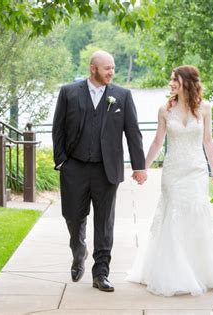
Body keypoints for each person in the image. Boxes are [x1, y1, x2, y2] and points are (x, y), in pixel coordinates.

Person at [126, 65, 213, 296]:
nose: (171, 83)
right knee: (173, 215)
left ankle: (199, 269)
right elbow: (158, 142)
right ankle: (173, 271)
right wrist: (143, 167)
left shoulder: (206, 108)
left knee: (197, 214)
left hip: (196, 171)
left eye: (174, 79)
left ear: (187, 82)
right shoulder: (164, 110)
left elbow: (208, 141)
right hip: (173, 172)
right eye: (171, 79)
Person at [52, 50, 147, 292]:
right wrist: (62, 161)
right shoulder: (69, 92)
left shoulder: (122, 96)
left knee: (104, 223)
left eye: (113, 68)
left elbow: (133, 132)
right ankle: (78, 249)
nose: (111, 72)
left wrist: (139, 166)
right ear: (93, 68)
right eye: (107, 68)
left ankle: (101, 273)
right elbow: (58, 129)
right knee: (73, 216)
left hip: (107, 170)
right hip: (74, 167)